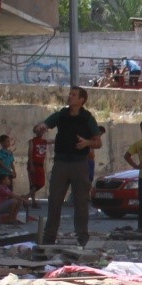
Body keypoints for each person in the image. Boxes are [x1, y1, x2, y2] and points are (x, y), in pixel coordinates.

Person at [36, 86, 103, 247]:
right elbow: (43, 126)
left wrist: (87, 143)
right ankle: (49, 237)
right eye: (70, 94)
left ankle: (82, 238)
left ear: (81, 100)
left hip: (80, 163)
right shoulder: (61, 115)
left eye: (74, 95)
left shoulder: (87, 118)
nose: (70, 97)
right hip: (61, 162)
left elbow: (98, 142)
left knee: (81, 202)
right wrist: (41, 128)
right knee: (54, 200)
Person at [26, 124, 48, 203]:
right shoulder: (32, 141)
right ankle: (31, 200)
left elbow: (54, 140)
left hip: (40, 165)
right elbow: (30, 154)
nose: (41, 132)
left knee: (39, 183)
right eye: (39, 131)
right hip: (34, 165)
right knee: (34, 183)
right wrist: (31, 165)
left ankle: (27, 197)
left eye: (42, 131)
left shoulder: (44, 141)